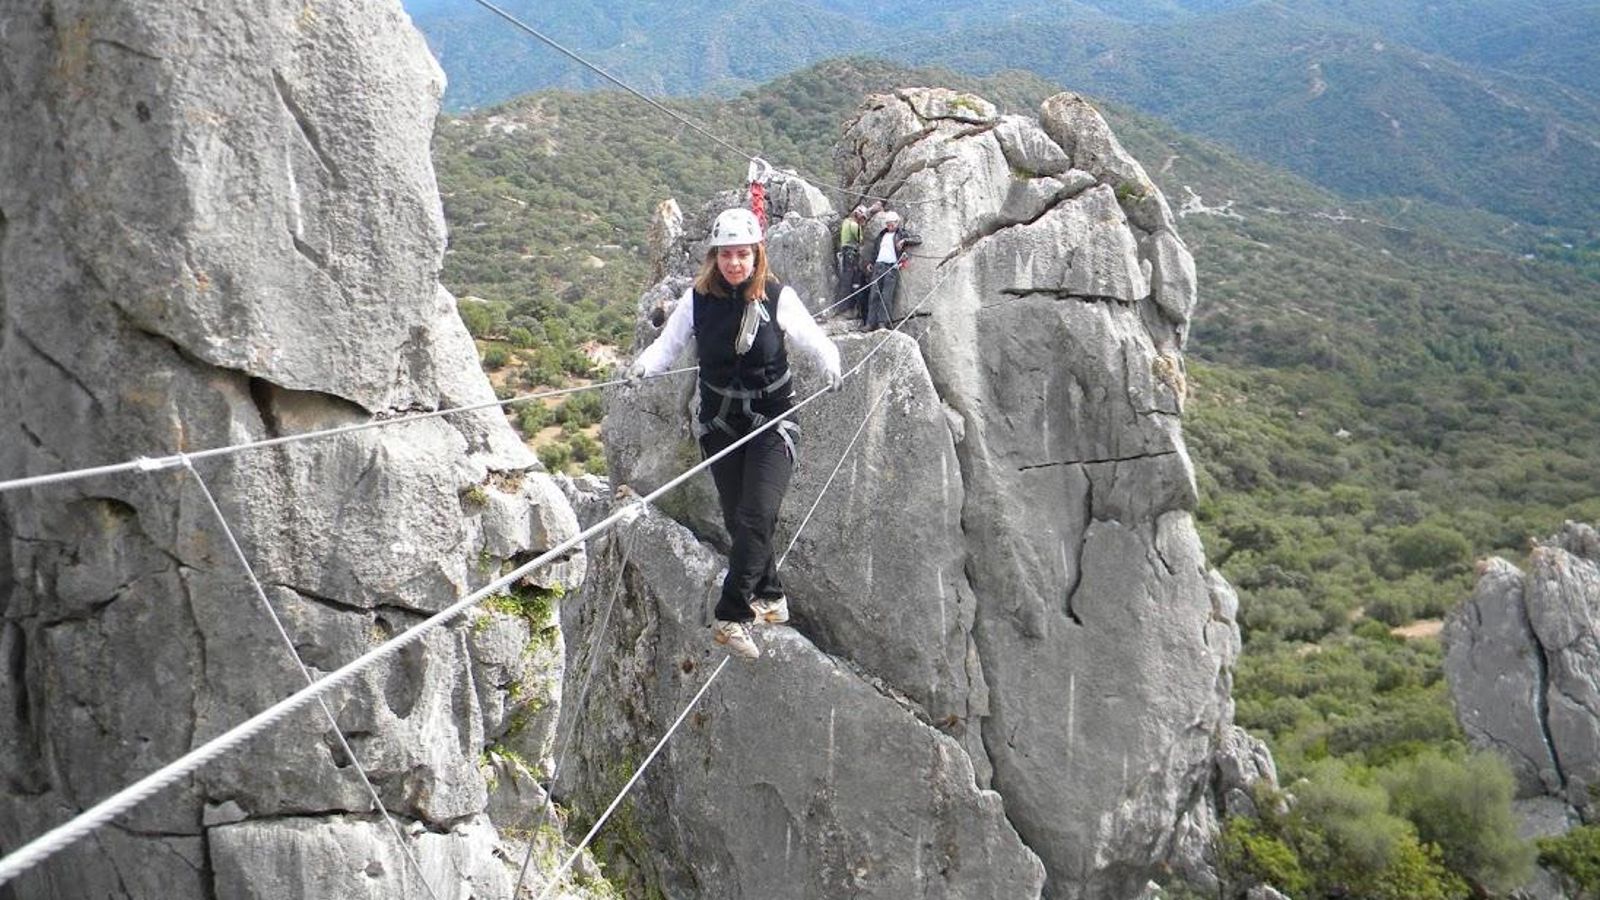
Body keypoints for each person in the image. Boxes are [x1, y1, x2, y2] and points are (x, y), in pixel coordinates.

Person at [626, 208, 843, 660]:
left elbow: (811, 337)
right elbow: (668, 346)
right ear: (715, 257)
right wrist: (643, 367)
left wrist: (830, 362)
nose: (734, 263)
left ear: (756, 255)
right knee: (738, 519)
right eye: (726, 255)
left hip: (773, 422)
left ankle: (732, 614)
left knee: (757, 514)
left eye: (742, 254)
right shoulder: (697, 300)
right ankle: (770, 596)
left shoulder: (778, 297)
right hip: (721, 425)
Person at [865, 211, 905, 330]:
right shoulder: (881, 235)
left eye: (891, 224)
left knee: (886, 295)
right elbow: (875, 250)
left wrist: (904, 241)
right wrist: (871, 262)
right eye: (887, 224)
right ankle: (870, 323)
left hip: (891, 267)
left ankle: (883, 322)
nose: (889, 226)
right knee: (874, 294)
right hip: (879, 265)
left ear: (897, 223)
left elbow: (917, 239)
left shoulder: (901, 234)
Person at [836, 206, 866, 314]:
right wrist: (861, 227)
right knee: (851, 279)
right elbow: (860, 239)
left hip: (845, 252)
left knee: (846, 278)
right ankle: (848, 307)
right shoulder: (854, 225)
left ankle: (843, 306)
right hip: (851, 253)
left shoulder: (845, 222)